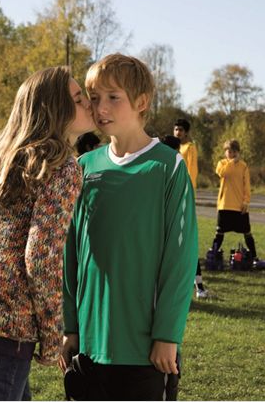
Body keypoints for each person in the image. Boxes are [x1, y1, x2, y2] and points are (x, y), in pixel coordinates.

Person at [0, 66, 95, 401]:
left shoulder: (11, 159)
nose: (87, 103)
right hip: (8, 324)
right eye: (77, 98)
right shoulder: (63, 168)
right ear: (55, 110)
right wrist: (51, 332)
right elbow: (40, 256)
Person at [60, 54, 198, 400]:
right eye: (93, 97)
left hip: (145, 349)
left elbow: (180, 259)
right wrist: (70, 327)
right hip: (89, 345)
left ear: (141, 102)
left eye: (112, 97)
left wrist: (167, 334)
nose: (100, 107)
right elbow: (70, 256)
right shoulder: (84, 167)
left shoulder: (167, 166)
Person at [174, 119, 209, 298]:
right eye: (176, 129)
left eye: (180, 130)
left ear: (186, 132)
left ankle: (198, 286)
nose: (178, 132)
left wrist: (186, 192)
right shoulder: (171, 148)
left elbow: (191, 172)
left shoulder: (189, 149)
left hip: (183, 195)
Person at [210, 139, 260, 263]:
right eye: (228, 151)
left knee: (247, 233)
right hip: (225, 204)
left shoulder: (243, 166)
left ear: (237, 152)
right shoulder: (221, 164)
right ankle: (213, 256)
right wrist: (232, 162)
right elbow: (223, 173)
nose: (230, 154)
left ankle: (254, 257)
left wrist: (246, 201)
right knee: (219, 233)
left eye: (233, 152)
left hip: (239, 206)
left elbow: (246, 185)